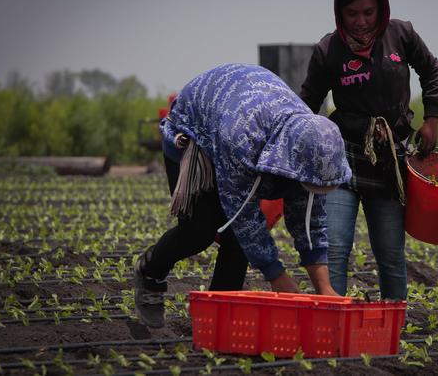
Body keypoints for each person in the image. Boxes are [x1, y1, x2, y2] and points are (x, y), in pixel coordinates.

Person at [134, 63, 352, 328]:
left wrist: (324, 288)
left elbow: (309, 219)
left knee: (237, 245)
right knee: (199, 231)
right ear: (291, 162)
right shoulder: (243, 139)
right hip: (194, 131)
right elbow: (244, 219)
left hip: (241, 123)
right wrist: (278, 278)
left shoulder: (313, 145)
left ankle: (214, 320)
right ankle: (150, 273)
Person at [300, 0, 438, 300]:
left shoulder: (401, 34)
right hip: (343, 157)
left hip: (390, 160)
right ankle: (332, 327)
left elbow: (430, 69)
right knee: (334, 247)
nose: (361, 21)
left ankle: (393, 329)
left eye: (368, 12)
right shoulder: (327, 50)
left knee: (390, 255)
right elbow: (307, 103)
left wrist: (432, 118)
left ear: (380, 8)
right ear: (340, 14)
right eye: (352, 14)